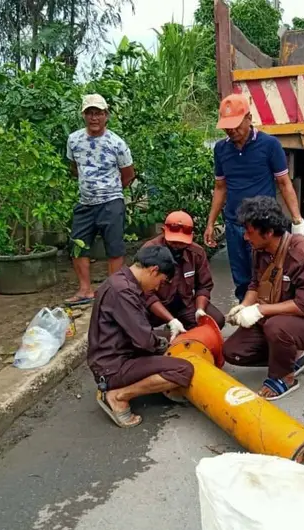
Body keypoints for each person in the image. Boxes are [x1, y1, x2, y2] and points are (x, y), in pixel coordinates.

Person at [222, 197, 304, 400]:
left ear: (269, 232)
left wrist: (259, 310)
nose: (246, 237)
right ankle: (288, 355)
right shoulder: (260, 249)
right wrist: (244, 306)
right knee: (233, 351)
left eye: (250, 232)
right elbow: (255, 284)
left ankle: (284, 375)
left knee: (276, 327)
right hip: (274, 318)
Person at [204, 93, 304, 302]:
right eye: (227, 126)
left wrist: (297, 220)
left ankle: (269, 317)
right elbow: (220, 187)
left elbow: (284, 182)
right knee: (242, 279)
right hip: (234, 224)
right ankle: (247, 321)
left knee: (268, 274)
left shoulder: (270, 145)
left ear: (249, 118)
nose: (231, 130)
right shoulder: (221, 149)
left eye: (236, 124)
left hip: (262, 227)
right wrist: (210, 223)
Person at [88, 245, 194, 428]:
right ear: (153, 270)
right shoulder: (123, 292)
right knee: (183, 370)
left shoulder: (121, 280)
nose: (158, 287)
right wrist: (164, 344)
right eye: (160, 281)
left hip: (114, 353)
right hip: (112, 366)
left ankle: (148, 382)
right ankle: (118, 396)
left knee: (171, 341)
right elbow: (144, 340)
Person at [66, 94, 136, 306]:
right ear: (83, 115)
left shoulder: (117, 143)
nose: (94, 117)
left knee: (114, 248)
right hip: (85, 202)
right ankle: (85, 290)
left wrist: (111, 191)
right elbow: (74, 168)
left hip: (111, 202)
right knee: (77, 246)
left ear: (106, 116)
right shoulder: (74, 140)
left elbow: (128, 173)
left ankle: (111, 293)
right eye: (89, 113)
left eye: (98, 113)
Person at [142, 211, 227, 340]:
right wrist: (171, 320)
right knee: (134, 324)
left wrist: (200, 310)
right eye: (173, 241)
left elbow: (204, 285)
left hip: (184, 303)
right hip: (155, 306)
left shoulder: (197, 253)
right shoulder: (149, 251)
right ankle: (168, 331)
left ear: (191, 236)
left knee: (216, 320)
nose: (177, 246)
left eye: (181, 242)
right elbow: (146, 293)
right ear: (163, 231)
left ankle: (185, 329)